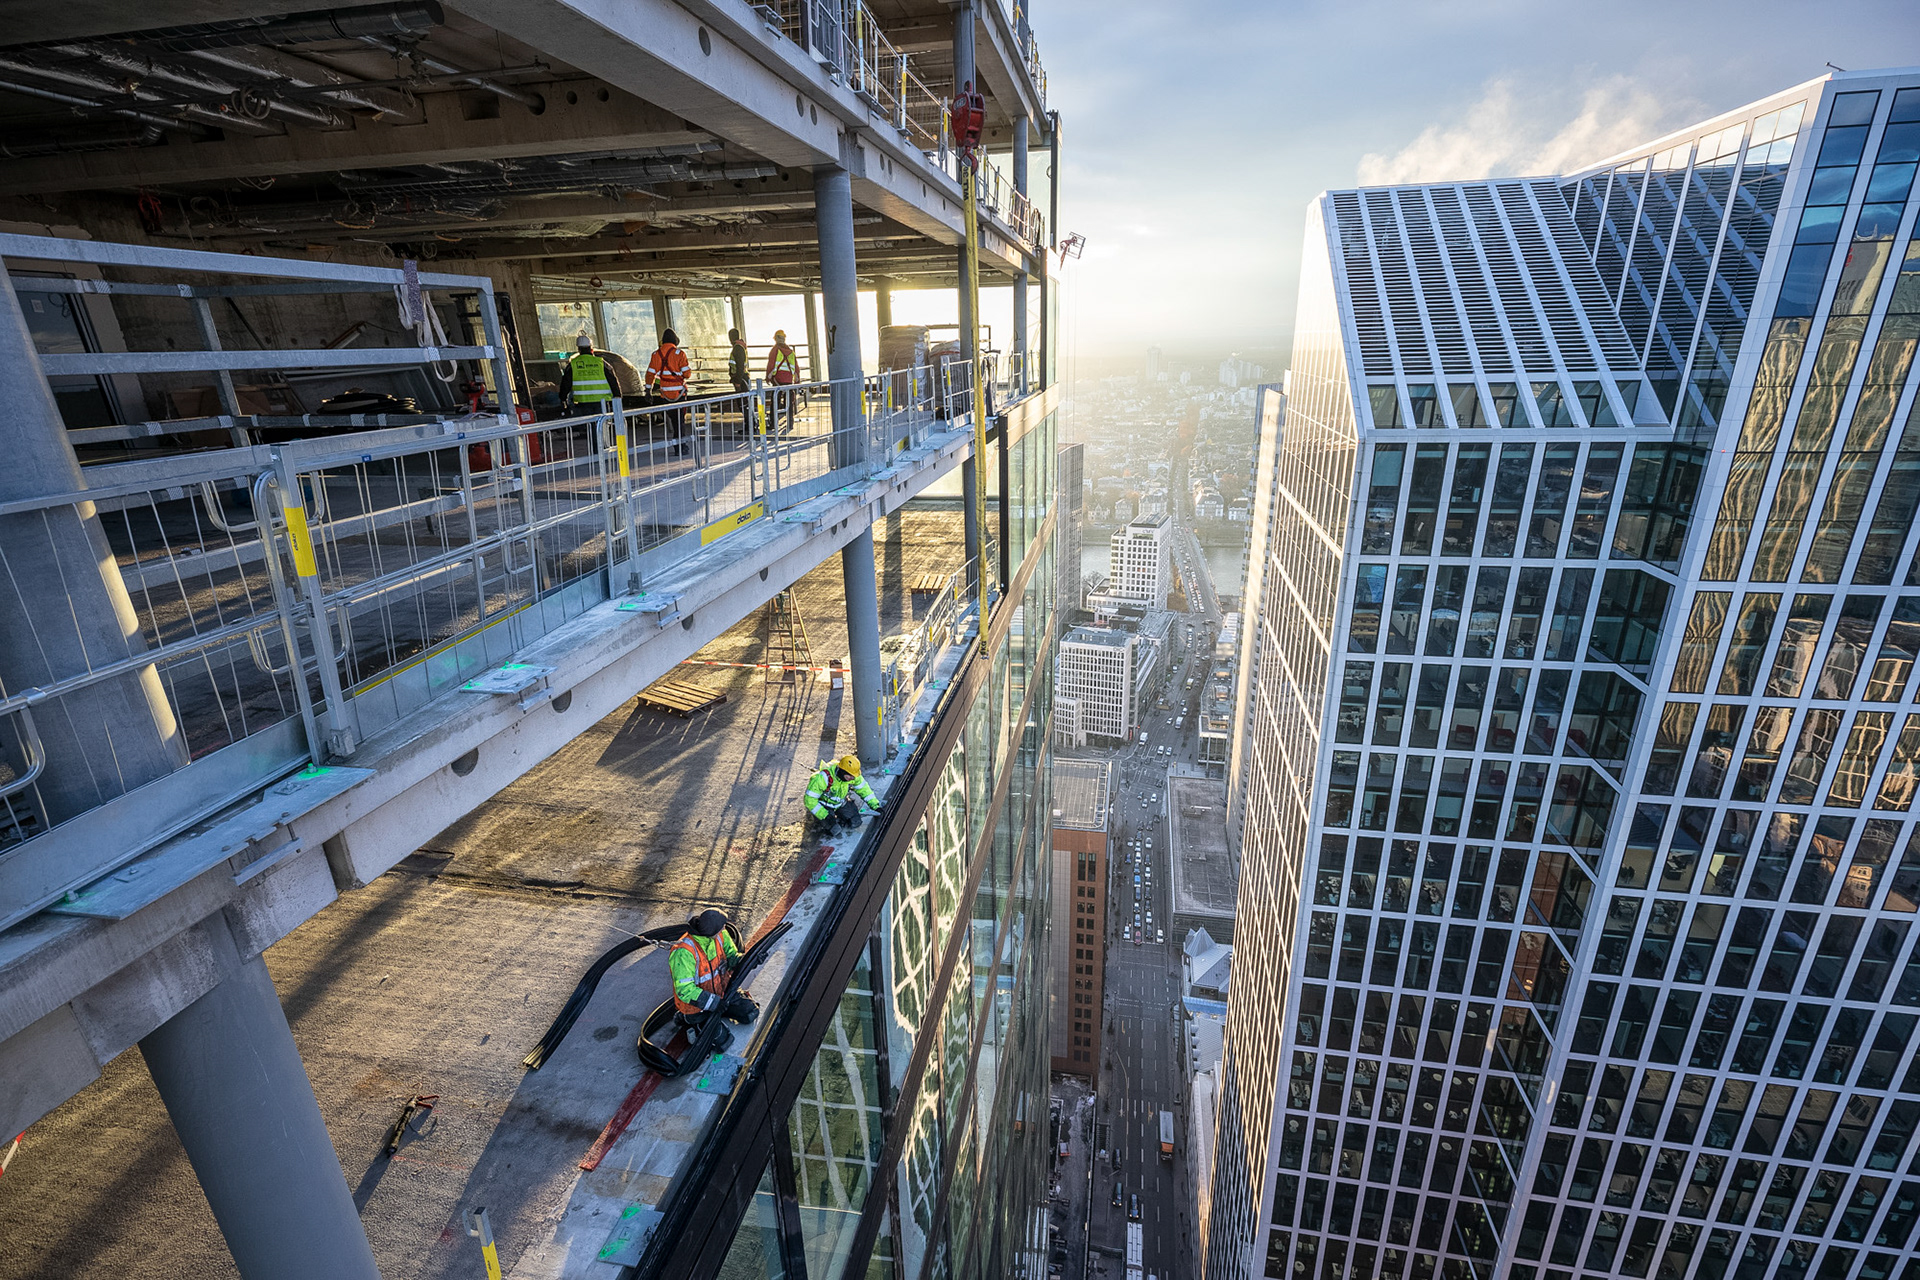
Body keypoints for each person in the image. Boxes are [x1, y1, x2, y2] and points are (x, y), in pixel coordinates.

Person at [669, 909, 757, 1050]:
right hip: (698, 1008)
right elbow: (684, 991)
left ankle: (719, 1011)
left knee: (750, 1013)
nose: (724, 927)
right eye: (722, 926)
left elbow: (732, 957)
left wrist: (749, 961)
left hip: (722, 993)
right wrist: (713, 1003)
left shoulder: (721, 934)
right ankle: (688, 1020)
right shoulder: (683, 952)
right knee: (723, 1042)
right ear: (711, 931)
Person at [804, 754, 880, 831]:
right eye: (850, 776)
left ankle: (839, 819)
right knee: (834, 829)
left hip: (840, 803)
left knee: (856, 822)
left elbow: (864, 789)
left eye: (854, 776)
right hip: (823, 806)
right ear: (842, 771)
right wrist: (824, 815)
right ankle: (821, 821)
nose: (852, 778)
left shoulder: (852, 774)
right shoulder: (822, 778)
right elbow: (809, 800)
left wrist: (875, 806)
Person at [560, 333, 616, 414]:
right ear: (591, 349)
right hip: (602, 403)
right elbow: (612, 380)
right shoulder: (601, 363)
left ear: (579, 350)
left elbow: (566, 384)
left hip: (582, 404)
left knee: (586, 425)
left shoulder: (573, 365)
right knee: (602, 425)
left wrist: (562, 398)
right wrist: (617, 395)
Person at [764, 328, 799, 434]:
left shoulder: (774, 350)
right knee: (789, 402)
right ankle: (790, 423)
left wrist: (768, 378)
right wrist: (797, 380)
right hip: (788, 380)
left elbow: (770, 365)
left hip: (777, 380)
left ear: (775, 339)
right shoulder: (791, 352)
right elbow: (796, 367)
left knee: (775, 401)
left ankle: (773, 423)